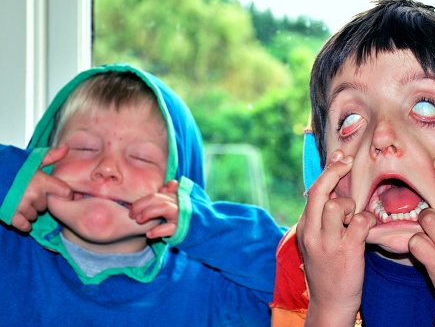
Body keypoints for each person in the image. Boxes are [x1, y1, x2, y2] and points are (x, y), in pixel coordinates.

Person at [271, 0, 435, 327]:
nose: (381, 136)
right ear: (322, 165)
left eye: (425, 108)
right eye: (351, 120)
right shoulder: (303, 257)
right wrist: (329, 306)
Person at [0, 63, 285, 325]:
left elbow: (303, 273)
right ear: (41, 161)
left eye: (140, 157)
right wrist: (7, 176)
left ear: (177, 187)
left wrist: (200, 224)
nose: (107, 168)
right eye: (84, 148)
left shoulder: (212, 287)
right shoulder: (9, 250)